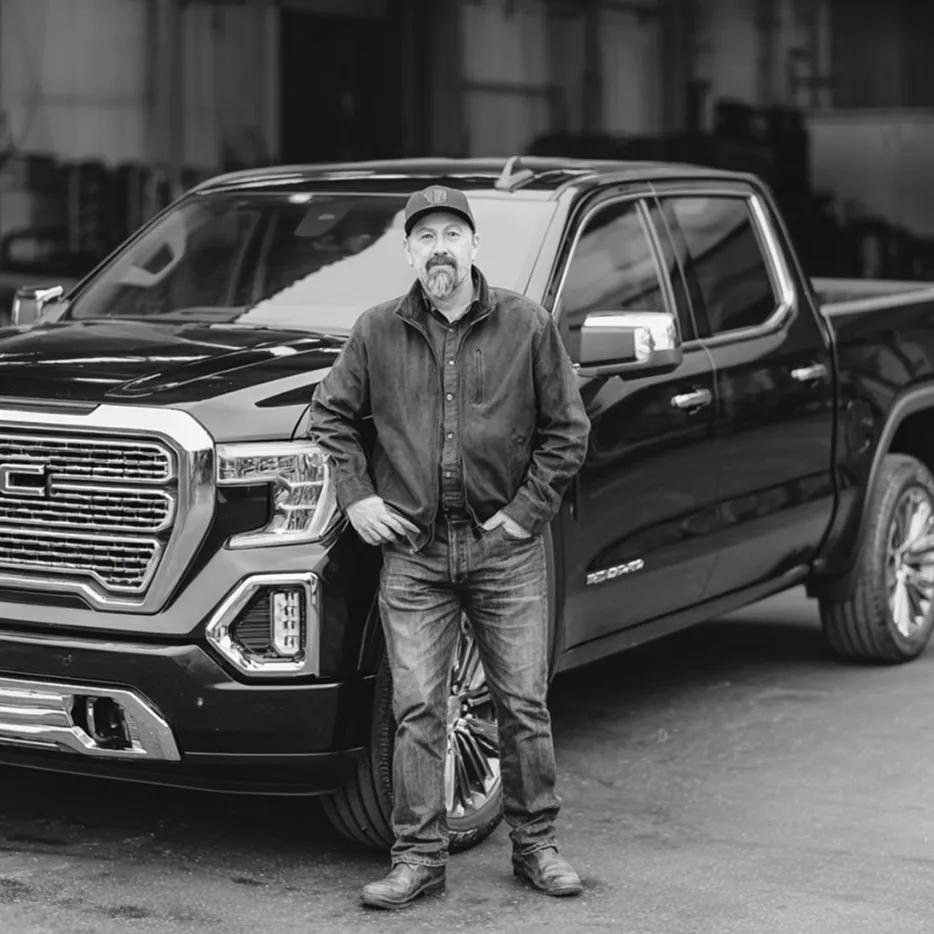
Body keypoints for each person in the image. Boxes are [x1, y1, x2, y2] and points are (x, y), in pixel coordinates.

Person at [309, 185, 591, 910]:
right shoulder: (376, 331)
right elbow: (331, 418)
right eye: (424, 236)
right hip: (415, 555)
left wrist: (526, 515)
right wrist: (359, 498)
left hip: (505, 549)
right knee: (417, 711)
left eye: (451, 234)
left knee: (523, 704)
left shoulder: (527, 325)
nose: (439, 248)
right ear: (408, 252)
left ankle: (537, 848)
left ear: (473, 247)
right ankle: (418, 860)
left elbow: (569, 431)